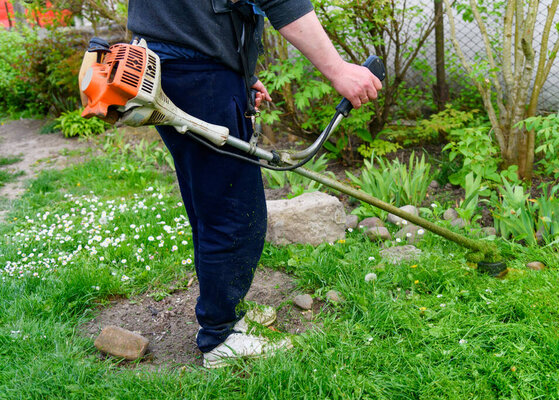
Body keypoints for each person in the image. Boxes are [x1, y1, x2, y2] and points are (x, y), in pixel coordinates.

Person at [125, 0, 382, 368]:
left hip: (168, 63)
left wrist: (238, 70)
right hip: (199, 71)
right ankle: (220, 338)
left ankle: (221, 315)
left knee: (209, 205)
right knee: (234, 216)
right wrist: (339, 69)